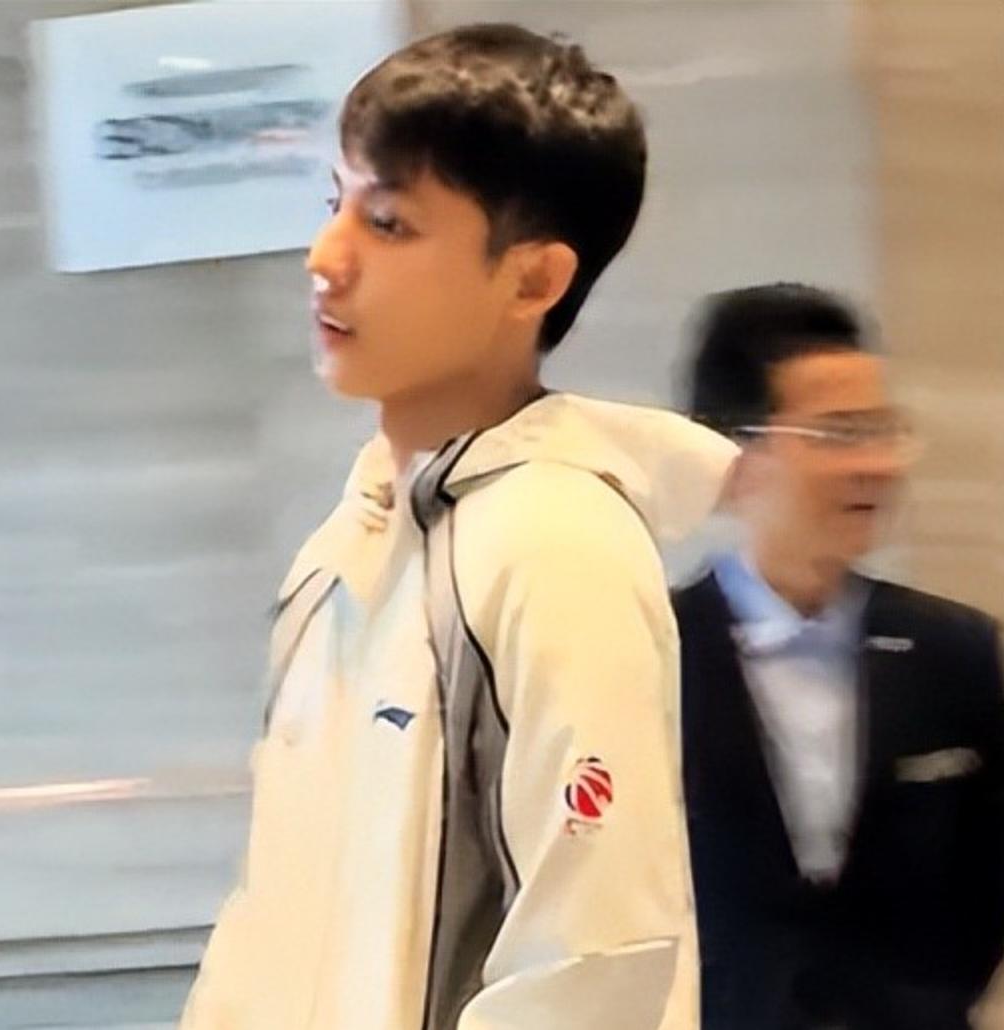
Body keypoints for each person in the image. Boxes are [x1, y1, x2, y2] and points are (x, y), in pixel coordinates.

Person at [181, 24, 735, 1029]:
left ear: (531, 281)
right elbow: (269, 915)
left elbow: (593, 962)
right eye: (333, 205)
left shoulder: (554, 546)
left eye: (388, 223)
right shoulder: (342, 552)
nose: (324, 257)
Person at [674, 282, 1004, 1029]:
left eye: (883, 430)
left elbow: (982, 889)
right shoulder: (655, 653)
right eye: (839, 435)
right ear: (736, 454)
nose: (876, 464)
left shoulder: (954, 654)